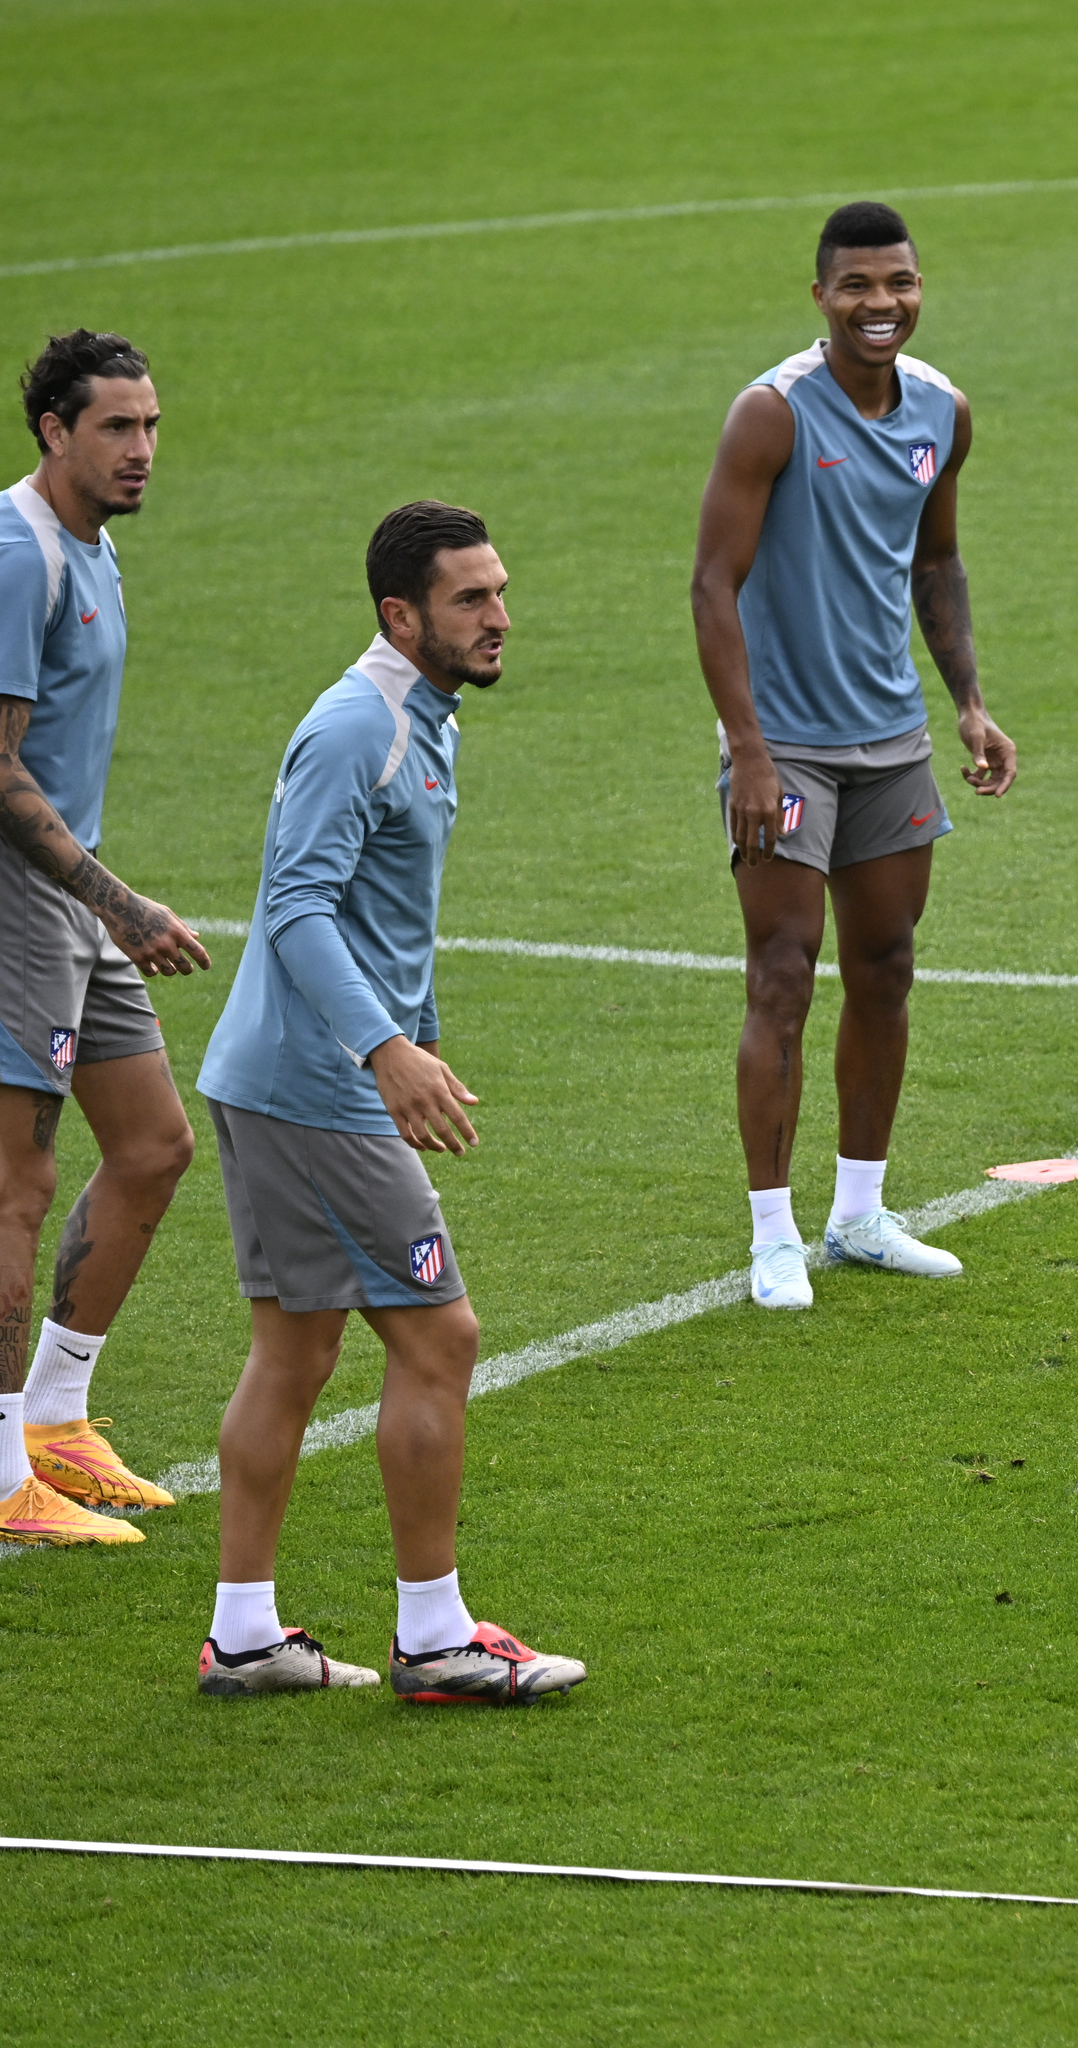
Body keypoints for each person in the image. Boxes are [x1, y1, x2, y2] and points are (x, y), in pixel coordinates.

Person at [194, 502, 586, 1701]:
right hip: (315, 1086)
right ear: (400, 614)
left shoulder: (422, 715)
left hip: (299, 1077)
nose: (500, 616)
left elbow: (378, 913)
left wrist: (418, 1033)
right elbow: (298, 907)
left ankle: (247, 1637)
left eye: (500, 591)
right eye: (472, 599)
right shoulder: (356, 724)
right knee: (439, 1335)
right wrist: (383, 1054)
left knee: (298, 1348)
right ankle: (436, 1637)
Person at [691, 201, 1017, 1312]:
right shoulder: (771, 415)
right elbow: (711, 584)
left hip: (892, 744)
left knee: (885, 967)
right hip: (785, 747)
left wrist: (969, 703)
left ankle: (860, 1214)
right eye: (858, 287)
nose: (882, 304)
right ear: (820, 294)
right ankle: (773, 1231)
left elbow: (937, 563)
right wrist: (749, 751)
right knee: (782, 970)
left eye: (900, 284)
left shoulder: (943, 412)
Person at [0, 330, 206, 1547]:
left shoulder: (93, 542)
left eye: (151, 425)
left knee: (154, 1146)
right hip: (26, 895)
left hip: (70, 892)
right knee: (15, 1185)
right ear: (54, 432)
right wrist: (120, 901)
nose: (140, 449)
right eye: (116, 428)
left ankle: (56, 1419)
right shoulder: (18, 552)